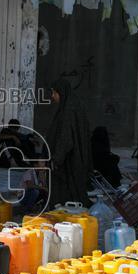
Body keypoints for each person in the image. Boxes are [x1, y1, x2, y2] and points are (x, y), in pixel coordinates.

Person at [45, 79, 92, 207]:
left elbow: (66, 138)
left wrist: (56, 159)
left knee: (64, 196)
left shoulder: (68, 111)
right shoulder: (75, 107)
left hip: (67, 163)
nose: (52, 96)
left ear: (61, 92)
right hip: (74, 160)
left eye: (54, 93)